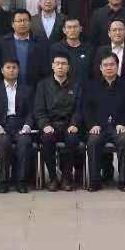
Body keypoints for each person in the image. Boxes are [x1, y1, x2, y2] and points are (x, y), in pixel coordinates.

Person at [78, 53, 125, 192]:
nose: (109, 68)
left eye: (112, 64)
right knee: (93, 141)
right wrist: (92, 124)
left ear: (117, 66)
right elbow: (86, 108)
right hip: (99, 127)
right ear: (100, 68)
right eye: (105, 65)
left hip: (119, 127)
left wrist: (124, 123)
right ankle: (94, 181)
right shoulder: (91, 86)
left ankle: (124, 181)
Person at [33, 54, 82, 191]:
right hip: (50, 124)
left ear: (68, 67)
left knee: (72, 139)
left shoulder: (76, 85)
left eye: (64, 63)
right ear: (52, 66)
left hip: (68, 125)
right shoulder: (43, 85)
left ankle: (66, 177)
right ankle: (53, 178)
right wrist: (45, 125)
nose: (60, 66)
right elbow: (39, 109)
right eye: (57, 63)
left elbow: (79, 109)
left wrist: (74, 124)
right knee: (47, 139)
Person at [0, 58, 35, 193]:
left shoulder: (27, 89)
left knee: (25, 142)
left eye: (14, 67)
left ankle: (21, 181)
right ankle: (4, 181)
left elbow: (31, 112)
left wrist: (27, 126)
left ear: (18, 70)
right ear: (2, 70)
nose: (11, 70)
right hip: (2, 125)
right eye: (8, 67)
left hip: (20, 124)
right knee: (3, 142)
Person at [0, 9, 49, 88]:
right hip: (9, 88)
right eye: (19, 21)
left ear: (30, 23)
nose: (22, 23)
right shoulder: (2, 43)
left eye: (25, 20)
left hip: (34, 87)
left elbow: (45, 68)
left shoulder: (40, 42)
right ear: (12, 24)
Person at [94, 19, 125, 84]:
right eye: (114, 30)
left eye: (120, 30)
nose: (117, 33)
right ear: (109, 33)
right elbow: (96, 73)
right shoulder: (100, 51)